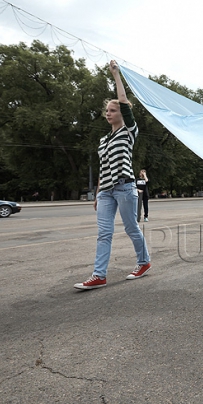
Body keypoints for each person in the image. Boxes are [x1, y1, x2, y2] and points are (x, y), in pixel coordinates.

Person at [75, 60, 151, 290]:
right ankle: (99, 275)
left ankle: (144, 262)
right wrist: (98, 194)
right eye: (107, 111)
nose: (109, 113)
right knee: (104, 233)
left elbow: (125, 101)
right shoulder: (103, 140)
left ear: (122, 114)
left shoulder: (129, 131)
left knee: (131, 228)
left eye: (113, 110)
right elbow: (103, 168)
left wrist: (116, 75)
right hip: (107, 191)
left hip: (125, 188)